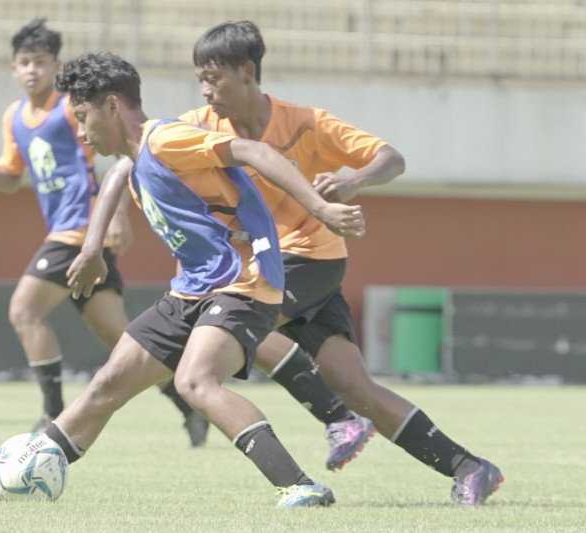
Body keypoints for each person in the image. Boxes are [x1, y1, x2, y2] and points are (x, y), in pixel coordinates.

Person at [0, 51, 365, 507]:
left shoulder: (167, 139)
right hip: (194, 288)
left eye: (82, 117)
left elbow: (254, 150)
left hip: (243, 281)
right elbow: (117, 175)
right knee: (107, 382)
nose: (79, 131)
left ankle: (300, 485)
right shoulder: (134, 157)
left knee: (196, 381)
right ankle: (12, 485)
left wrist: (321, 208)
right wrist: (92, 250)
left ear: (112, 106)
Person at [183, 21, 504, 505]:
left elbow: (391, 158)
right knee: (355, 386)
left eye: (214, 78)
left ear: (247, 72)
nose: (206, 90)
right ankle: (470, 467)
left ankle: (330, 426)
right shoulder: (201, 126)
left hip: (312, 261)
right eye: (200, 79)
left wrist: (355, 181)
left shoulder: (306, 122)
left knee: (227, 332)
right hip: (272, 265)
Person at [0, 19, 205, 441]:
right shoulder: (14, 117)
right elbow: (11, 178)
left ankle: (52, 413)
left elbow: (116, 154)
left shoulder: (71, 108)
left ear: (55, 65)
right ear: (13, 69)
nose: (32, 70)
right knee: (126, 342)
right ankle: (189, 407)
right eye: (23, 63)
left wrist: (119, 215)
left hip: (78, 232)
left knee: (24, 310)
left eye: (40, 62)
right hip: (77, 238)